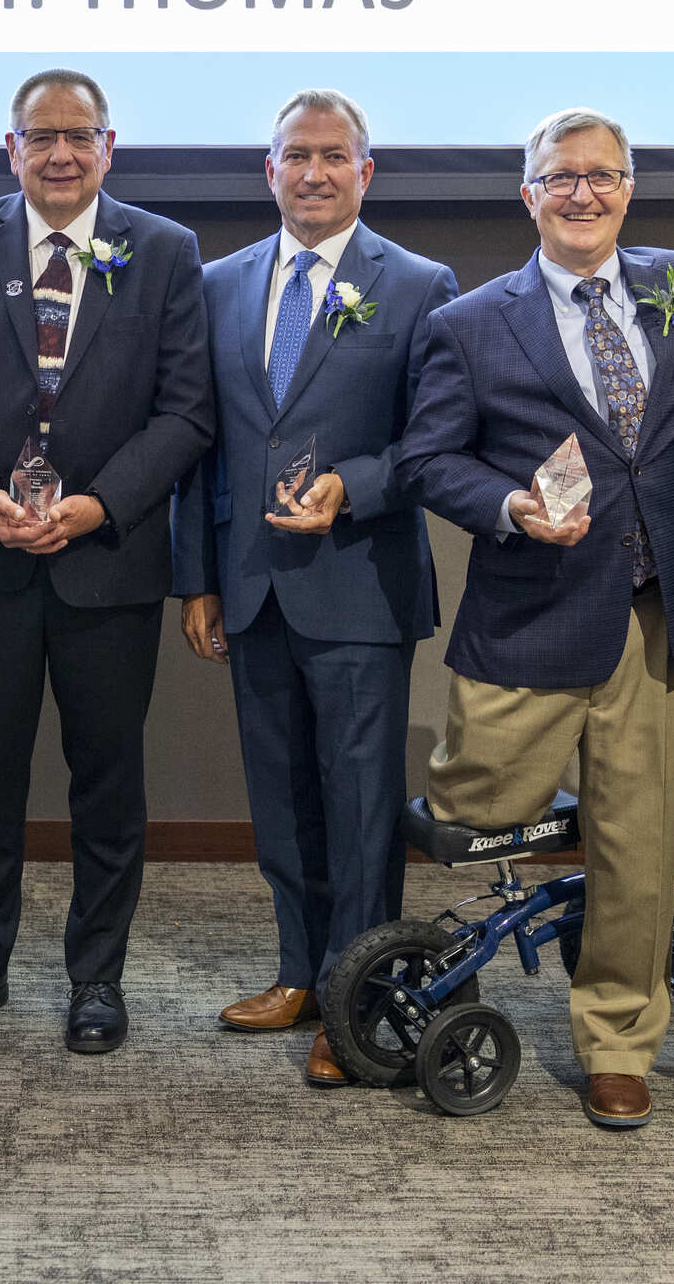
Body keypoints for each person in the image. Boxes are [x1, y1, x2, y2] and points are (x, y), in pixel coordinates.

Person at [395, 107, 674, 1129]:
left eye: (603, 176)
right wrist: (507, 507)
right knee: (469, 808)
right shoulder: (471, 321)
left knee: (638, 841)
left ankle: (619, 1039)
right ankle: (548, 873)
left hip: (653, 616)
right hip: (531, 610)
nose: (583, 193)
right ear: (526, 193)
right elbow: (428, 459)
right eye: (560, 177)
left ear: (628, 188)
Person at [0, 68, 212, 1054]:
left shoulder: (163, 250)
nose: (61, 154)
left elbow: (187, 410)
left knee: (106, 780)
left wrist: (96, 506)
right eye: (42, 137)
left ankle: (96, 977)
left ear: (109, 147)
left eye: (80, 137)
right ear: (12, 148)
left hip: (106, 562)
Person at [170, 89, 456, 1086]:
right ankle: (299, 969)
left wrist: (354, 487)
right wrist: (194, 581)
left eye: (335, 155)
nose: (315, 172)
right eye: (296, 155)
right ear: (270, 170)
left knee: (360, 802)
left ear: (365, 172)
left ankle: (360, 995)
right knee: (282, 801)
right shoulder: (216, 285)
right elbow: (200, 449)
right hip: (249, 594)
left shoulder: (420, 284)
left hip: (359, 586)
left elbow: (434, 445)